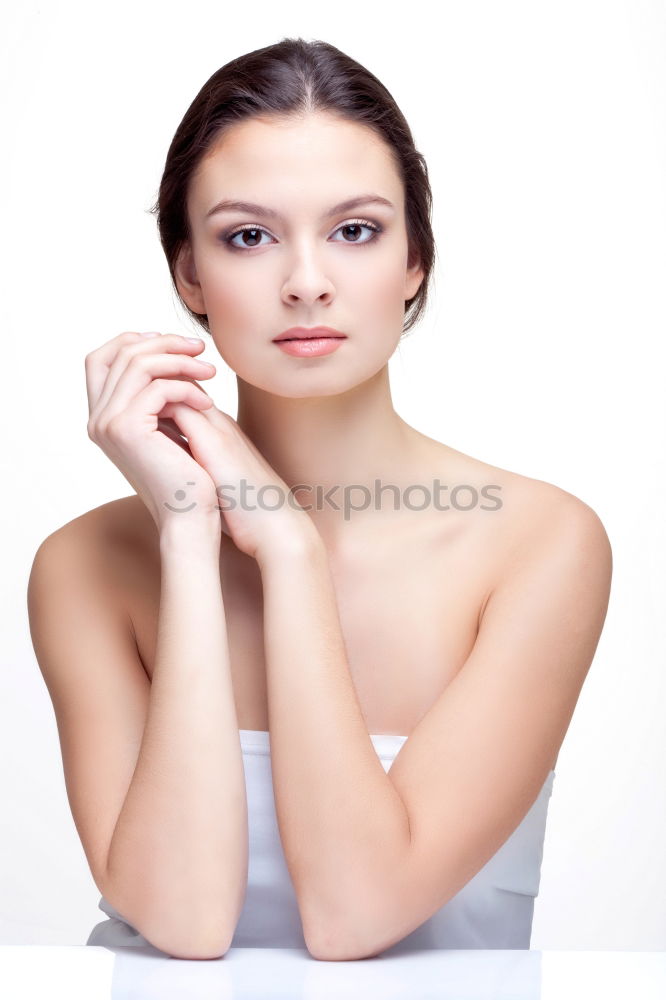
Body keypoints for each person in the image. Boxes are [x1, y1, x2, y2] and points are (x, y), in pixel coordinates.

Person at [27, 37, 612, 962]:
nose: (306, 281)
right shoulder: (84, 568)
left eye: (355, 230)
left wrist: (289, 554)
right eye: (248, 236)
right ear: (189, 274)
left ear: (416, 259)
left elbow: (355, 914)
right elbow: (179, 923)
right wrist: (188, 534)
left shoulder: (540, 545)